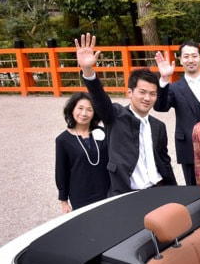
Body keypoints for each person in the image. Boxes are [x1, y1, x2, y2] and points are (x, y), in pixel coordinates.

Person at [75, 33, 177, 196]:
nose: (147, 98)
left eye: (152, 94)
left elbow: (164, 161)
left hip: (159, 188)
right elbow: (100, 99)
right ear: (129, 92)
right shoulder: (115, 116)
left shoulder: (159, 126)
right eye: (142, 92)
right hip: (127, 192)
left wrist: (174, 190)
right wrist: (88, 70)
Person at [153, 40, 200, 186]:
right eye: (186, 56)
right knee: (192, 189)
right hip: (187, 145)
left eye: (194, 56)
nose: (190, 60)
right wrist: (164, 79)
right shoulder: (174, 88)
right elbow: (161, 107)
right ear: (180, 60)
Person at [54, 92, 109, 213]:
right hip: (80, 195)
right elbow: (61, 172)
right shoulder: (63, 140)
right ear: (72, 109)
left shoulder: (104, 133)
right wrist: (64, 201)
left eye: (89, 109)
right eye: (80, 108)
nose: (84, 113)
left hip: (106, 190)